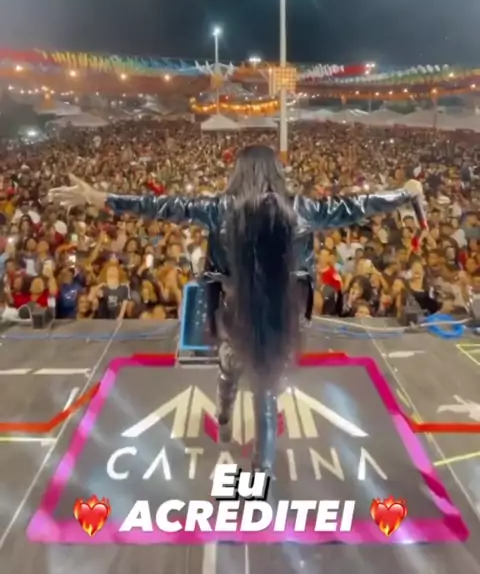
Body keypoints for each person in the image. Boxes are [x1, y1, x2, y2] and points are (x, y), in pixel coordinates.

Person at [49, 145, 424, 472]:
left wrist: (98, 197)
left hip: (236, 307)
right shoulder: (301, 208)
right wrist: (404, 194)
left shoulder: (220, 209)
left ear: (239, 172)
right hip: (283, 311)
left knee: (231, 366)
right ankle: (262, 469)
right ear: (275, 172)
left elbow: (160, 207)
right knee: (266, 386)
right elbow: (358, 206)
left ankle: (225, 413)